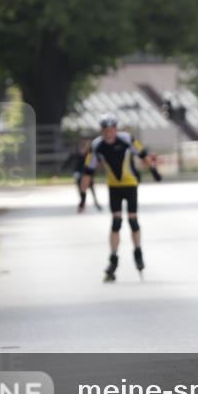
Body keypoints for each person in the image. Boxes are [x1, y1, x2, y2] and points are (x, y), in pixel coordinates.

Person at [80, 113, 159, 282]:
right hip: (114, 187)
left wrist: (154, 171)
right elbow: (88, 170)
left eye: (111, 129)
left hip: (130, 184)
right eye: (105, 130)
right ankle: (113, 259)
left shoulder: (126, 139)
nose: (108, 133)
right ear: (101, 130)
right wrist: (82, 197)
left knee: (132, 220)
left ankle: (138, 252)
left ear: (115, 129)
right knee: (116, 222)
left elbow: (143, 154)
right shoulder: (97, 145)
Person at [63, 138, 102, 212]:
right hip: (78, 172)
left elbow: (97, 159)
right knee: (81, 189)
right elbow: (69, 159)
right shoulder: (76, 151)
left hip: (87, 172)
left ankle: (95, 202)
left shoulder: (90, 151)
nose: (84, 143)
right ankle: (82, 203)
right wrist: (63, 168)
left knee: (91, 187)